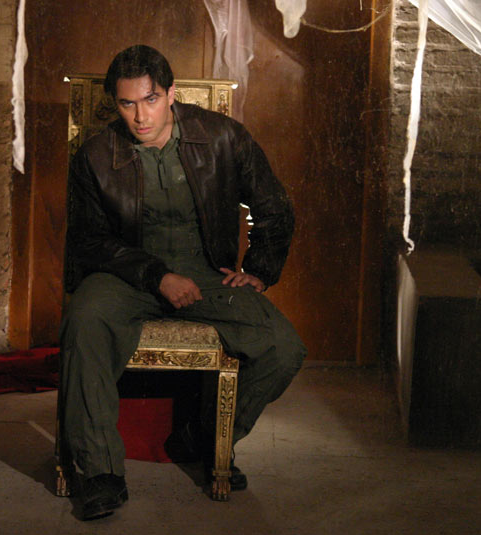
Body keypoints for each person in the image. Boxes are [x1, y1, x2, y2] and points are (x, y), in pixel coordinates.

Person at [60, 44, 306, 521]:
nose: (140, 116)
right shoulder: (96, 155)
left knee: (283, 346)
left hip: (205, 270)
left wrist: (259, 268)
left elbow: (274, 205)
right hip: (127, 272)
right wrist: (157, 276)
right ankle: (100, 473)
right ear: (115, 103)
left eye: (150, 100)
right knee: (85, 319)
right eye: (127, 104)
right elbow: (89, 241)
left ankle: (206, 439)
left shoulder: (223, 137)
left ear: (171, 94)